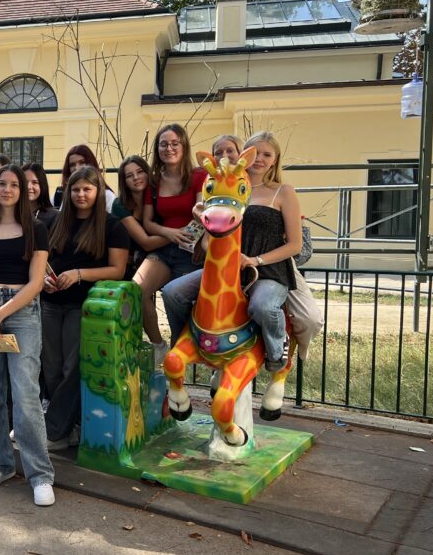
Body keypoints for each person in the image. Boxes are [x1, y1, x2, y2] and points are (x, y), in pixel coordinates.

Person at [162, 132, 306, 372]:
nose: (259, 159)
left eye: (266, 154)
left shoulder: (283, 192)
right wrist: (203, 220)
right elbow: (208, 241)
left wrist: (255, 260)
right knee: (172, 292)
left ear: (275, 159)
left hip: (266, 268)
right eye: (255, 153)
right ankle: (185, 343)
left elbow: (295, 245)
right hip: (228, 268)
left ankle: (276, 350)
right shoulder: (226, 188)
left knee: (262, 306)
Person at [0, 164, 55, 507]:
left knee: (26, 394)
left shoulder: (36, 229)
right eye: (1, 184)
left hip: (21, 313)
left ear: (21, 190)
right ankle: (0, 464)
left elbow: (35, 283)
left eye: (13, 184)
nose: (6, 189)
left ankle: (40, 474)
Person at [42, 166, 129, 449]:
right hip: (50, 303)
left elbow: (118, 270)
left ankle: (55, 431)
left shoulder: (112, 225)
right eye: (76, 189)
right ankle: (68, 425)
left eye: (87, 189)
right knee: (51, 368)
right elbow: (41, 259)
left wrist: (79, 274)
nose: (81, 195)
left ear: (97, 191)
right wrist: (45, 279)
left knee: (72, 369)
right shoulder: (55, 222)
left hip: (84, 306)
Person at [132, 123, 206, 366]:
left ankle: (180, 357)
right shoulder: (153, 181)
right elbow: (148, 222)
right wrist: (171, 233)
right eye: (164, 144)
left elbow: (202, 213)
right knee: (136, 290)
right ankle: (158, 345)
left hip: (191, 252)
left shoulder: (199, 177)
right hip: (164, 248)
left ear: (184, 146)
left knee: (176, 301)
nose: (169, 148)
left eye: (175, 143)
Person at [112, 156, 168, 281]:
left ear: (148, 173)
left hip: (161, 258)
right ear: (124, 182)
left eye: (140, 172)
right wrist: (178, 235)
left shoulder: (161, 199)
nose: (136, 178)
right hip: (128, 264)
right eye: (129, 175)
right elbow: (146, 243)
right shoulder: (120, 205)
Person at [52, 144, 116, 210]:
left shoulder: (106, 196)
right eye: (72, 165)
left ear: (91, 164)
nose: (76, 168)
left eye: (82, 162)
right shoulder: (59, 195)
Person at [23, 162, 58, 228]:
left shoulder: (54, 216)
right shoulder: (12, 214)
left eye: (35, 182)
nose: (29, 187)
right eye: (25, 182)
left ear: (42, 185)